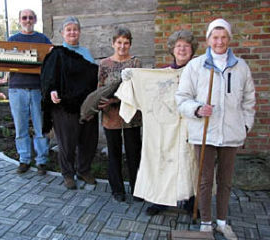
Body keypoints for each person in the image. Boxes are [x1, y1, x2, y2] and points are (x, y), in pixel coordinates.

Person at [175, 19, 255, 239]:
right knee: (204, 180)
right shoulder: (196, 65)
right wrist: (198, 109)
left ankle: (222, 221)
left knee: (225, 181)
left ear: (229, 39)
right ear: (208, 39)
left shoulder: (241, 67)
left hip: (231, 133)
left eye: (223, 37)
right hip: (204, 132)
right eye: (215, 37)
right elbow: (181, 98)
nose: (219, 41)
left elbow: (249, 101)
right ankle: (206, 223)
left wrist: (245, 125)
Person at [145, 30, 199, 216]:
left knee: (190, 162)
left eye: (186, 46)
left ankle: (191, 201)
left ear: (192, 50)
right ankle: (160, 200)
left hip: (191, 125)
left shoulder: (199, 72)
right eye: (178, 46)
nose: (182, 49)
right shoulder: (164, 74)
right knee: (164, 160)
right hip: (167, 126)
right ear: (172, 50)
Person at [40, 16, 99, 190]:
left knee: (88, 140)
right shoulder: (56, 53)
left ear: (80, 32)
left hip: (86, 104)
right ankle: (68, 173)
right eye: (69, 29)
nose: (72, 32)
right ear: (62, 33)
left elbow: (93, 77)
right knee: (67, 142)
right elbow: (47, 77)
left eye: (75, 29)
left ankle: (84, 170)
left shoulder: (86, 53)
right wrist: (51, 91)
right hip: (65, 106)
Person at [98, 27, 142, 202]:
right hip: (111, 116)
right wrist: (102, 102)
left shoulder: (136, 63)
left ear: (130, 44)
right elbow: (100, 87)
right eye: (119, 43)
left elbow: (137, 88)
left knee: (134, 152)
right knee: (114, 152)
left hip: (131, 115)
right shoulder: (104, 64)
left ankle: (137, 187)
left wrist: (115, 100)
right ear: (113, 43)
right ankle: (117, 189)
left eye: (126, 43)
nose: (122, 46)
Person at [8, 9, 51, 175]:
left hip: (37, 90)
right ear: (19, 20)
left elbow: (51, 60)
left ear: (35, 19)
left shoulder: (42, 40)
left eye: (30, 18)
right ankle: (24, 159)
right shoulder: (12, 40)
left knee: (40, 127)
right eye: (24, 18)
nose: (27, 20)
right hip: (17, 89)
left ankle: (41, 161)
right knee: (21, 127)